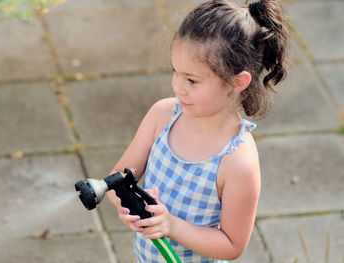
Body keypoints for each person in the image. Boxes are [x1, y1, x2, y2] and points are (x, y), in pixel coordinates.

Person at [107, 0, 289, 262]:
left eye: (192, 80)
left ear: (237, 82)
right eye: (176, 73)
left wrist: (172, 226)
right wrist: (125, 204)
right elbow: (117, 181)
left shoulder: (237, 160)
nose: (178, 87)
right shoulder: (162, 116)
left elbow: (232, 245)